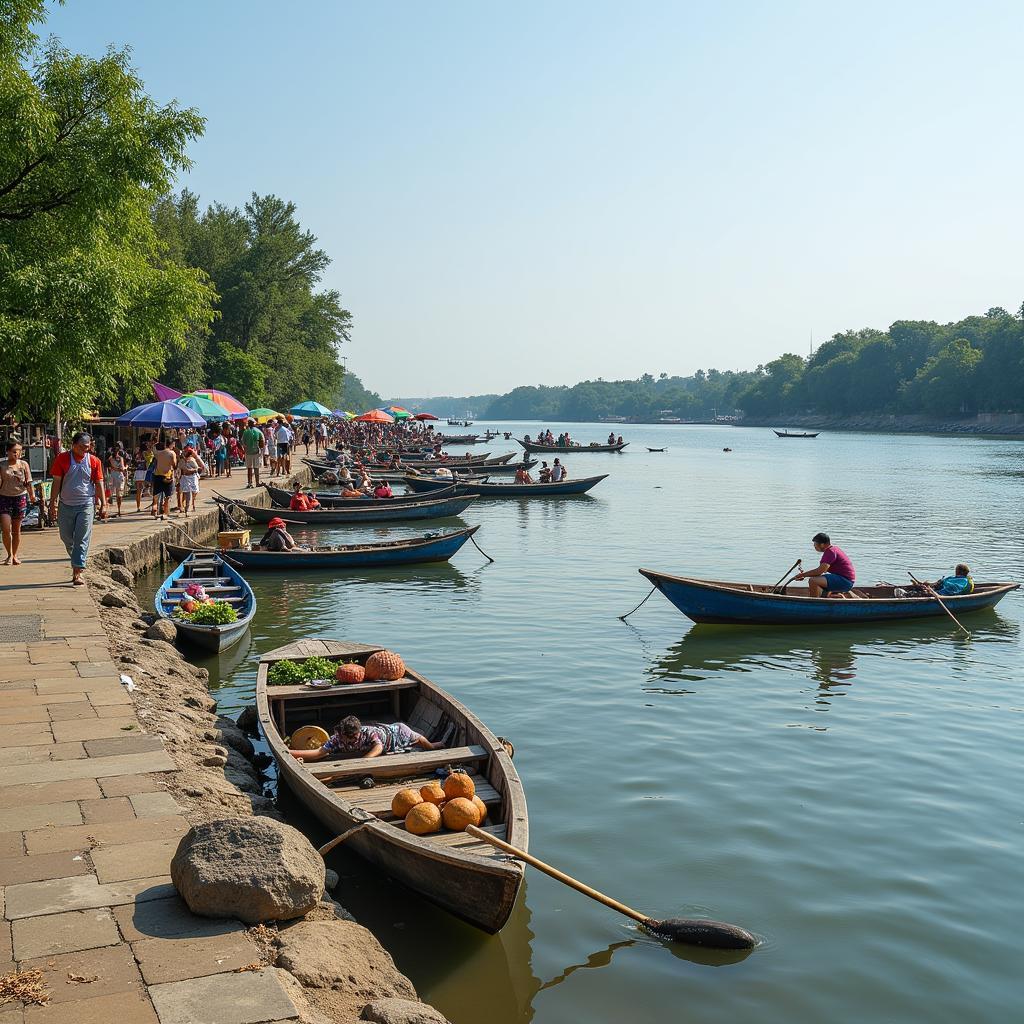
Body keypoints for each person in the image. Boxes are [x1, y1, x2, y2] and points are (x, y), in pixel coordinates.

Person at [49, 432, 106, 586]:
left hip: (86, 504)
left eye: (87, 448)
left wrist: (103, 503)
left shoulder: (94, 461)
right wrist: (52, 502)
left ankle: (77, 572)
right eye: (81, 447)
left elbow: (99, 483)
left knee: (82, 539)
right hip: (66, 504)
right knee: (66, 538)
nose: (84, 450)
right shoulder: (62, 459)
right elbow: (56, 482)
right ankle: (76, 558)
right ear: (73, 445)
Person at [289, 714, 444, 761]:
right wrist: (288, 752)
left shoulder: (368, 732)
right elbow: (318, 752)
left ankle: (438, 745)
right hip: (389, 733)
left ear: (358, 733)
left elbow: (379, 747)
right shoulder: (336, 739)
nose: (349, 740)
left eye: (352, 738)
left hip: (397, 732)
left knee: (425, 744)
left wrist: (366, 760)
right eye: (346, 737)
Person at [1, 439, 35, 566]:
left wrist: (32, 495)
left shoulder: (24, 465)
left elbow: (29, 481)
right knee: (5, 528)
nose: (17, 454)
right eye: (15, 452)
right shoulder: (2, 465)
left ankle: (14, 555)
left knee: (16, 529)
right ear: (8, 452)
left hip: (20, 497)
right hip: (4, 497)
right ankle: (8, 554)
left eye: (20, 452)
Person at [794, 533, 856, 597]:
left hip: (845, 581)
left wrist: (803, 575)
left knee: (813, 581)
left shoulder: (830, 551)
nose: (814, 546)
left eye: (815, 544)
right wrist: (804, 575)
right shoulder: (833, 549)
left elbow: (819, 571)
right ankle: (829, 596)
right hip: (845, 580)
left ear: (822, 544)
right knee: (816, 579)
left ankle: (814, 603)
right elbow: (821, 571)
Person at [149, 440, 177, 520]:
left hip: (157, 476)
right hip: (167, 476)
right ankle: (165, 513)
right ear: (171, 444)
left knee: (155, 496)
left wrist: (155, 444)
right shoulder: (172, 453)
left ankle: (154, 510)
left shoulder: (159, 453)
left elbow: (153, 449)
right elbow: (174, 465)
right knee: (167, 497)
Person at [177, 446, 206, 516]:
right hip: (187, 478)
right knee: (188, 493)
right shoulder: (187, 460)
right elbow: (200, 467)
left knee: (189, 493)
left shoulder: (192, 459)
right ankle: (186, 507)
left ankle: (188, 506)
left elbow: (200, 467)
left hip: (189, 478)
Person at [240, 418, 265, 488]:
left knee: (249, 468)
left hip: (248, 452)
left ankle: (250, 483)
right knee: (256, 468)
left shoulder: (246, 432)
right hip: (256, 452)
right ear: (254, 424)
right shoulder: (258, 431)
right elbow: (262, 441)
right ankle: (257, 482)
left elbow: (242, 442)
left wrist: (246, 448)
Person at [104, 443, 127, 518]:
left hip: (112, 476)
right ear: (118, 452)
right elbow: (122, 469)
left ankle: (106, 511)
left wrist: (113, 468)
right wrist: (124, 468)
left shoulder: (110, 458)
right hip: (119, 476)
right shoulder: (120, 458)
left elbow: (108, 466)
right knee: (119, 495)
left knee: (109, 494)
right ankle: (119, 510)